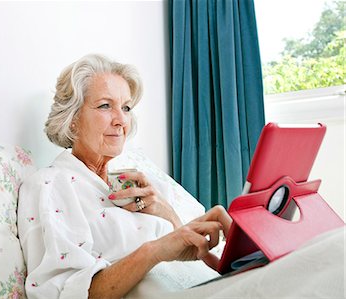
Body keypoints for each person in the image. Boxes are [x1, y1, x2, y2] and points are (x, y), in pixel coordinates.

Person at [17, 53, 232, 299]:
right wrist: (153, 251)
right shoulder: (50, 185)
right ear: (73, 118)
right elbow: (65, 292)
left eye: (126, 108)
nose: (121, 120)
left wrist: (168, 214)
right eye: (105, 106)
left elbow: (197, 255)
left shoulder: (145, 182)